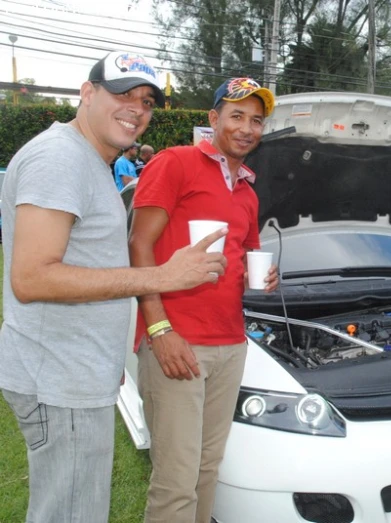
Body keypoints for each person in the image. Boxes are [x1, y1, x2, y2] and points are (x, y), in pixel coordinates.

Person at [0, 50, 228, 523]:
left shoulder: (88, 160)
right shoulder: (59, 157)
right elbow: (32, 276)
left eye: (146, 101)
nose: (136, 109)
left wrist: (105, 362)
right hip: (60, 378)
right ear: (86, 93)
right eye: (122, 94)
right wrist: (162, 276)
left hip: (74, 372)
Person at [129, 77, 279, 523]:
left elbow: (243, 260)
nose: (247, 128)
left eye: (256, 120)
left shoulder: (248, 192)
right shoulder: (175, 163)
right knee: (176, 482)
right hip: (177, 340)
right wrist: (158, 329)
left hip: (231, 343)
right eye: (237, 116)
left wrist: (263, 277)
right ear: (213, 119)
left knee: (206, 468)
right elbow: (139, 246)